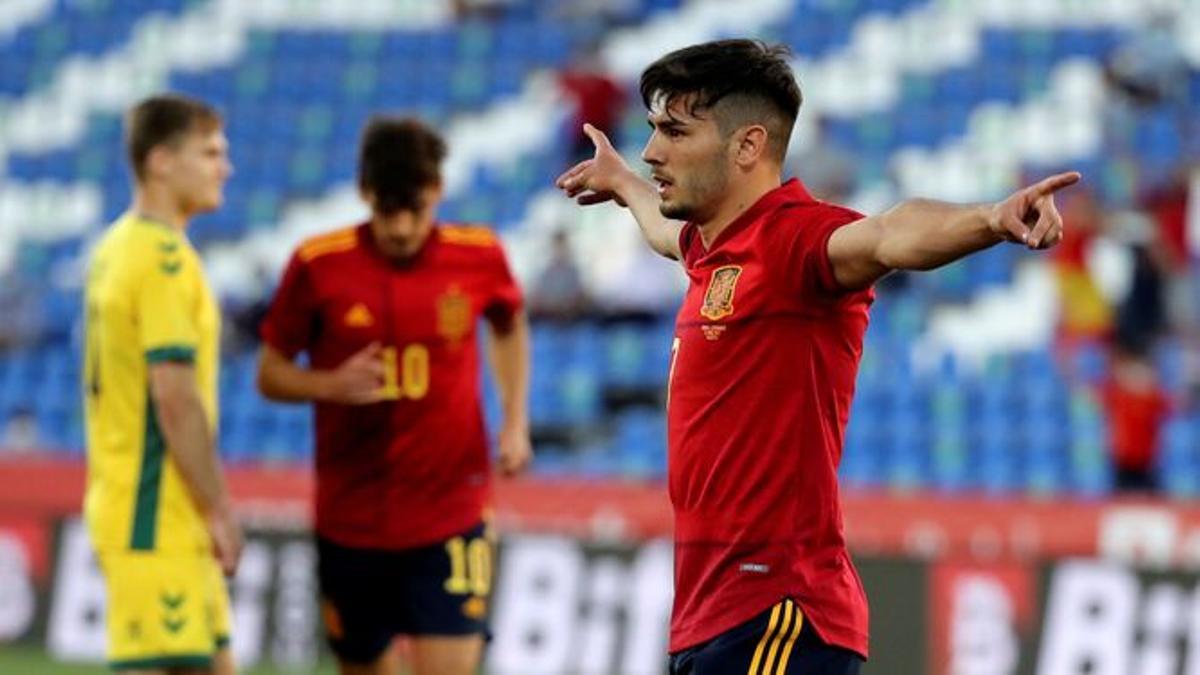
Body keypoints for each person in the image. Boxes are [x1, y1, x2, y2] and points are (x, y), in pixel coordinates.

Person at [556, 39, 1078, 674]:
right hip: (714, 614)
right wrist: (623, 183)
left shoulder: (794, 240)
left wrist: (991, 218)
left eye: (673, 131)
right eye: (651, 131)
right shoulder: (711, 248)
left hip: (778, 608)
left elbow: (888, 234)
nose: (651, 151)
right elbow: (666, 234)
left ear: (747, 146)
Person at [256, 116, 532, 675]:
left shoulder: (479, 255)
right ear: (364, 193)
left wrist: (515, 419)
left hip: (451, 513)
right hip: (350, 521)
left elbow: (508, 322)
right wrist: (330, 385)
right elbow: (270, 373)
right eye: (388, 211)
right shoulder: (318, 265)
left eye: (415, 210)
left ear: (437, 191)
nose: (403, 228)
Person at [82, 94, 242, 674]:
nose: (225, 167)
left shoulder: (118, 246)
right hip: (153, 514)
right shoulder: (162, 260)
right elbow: (174, 398)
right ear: (161, 162)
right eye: (210, 153)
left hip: (163, 513)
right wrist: (221, 509)